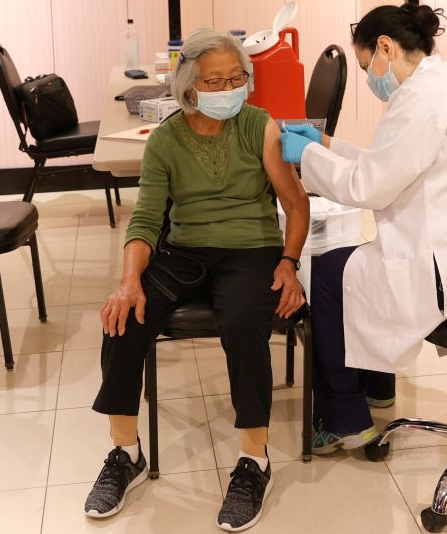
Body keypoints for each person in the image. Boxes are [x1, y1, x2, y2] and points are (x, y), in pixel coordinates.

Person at [278, 4, 447, 453]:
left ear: (385, 47)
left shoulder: (419, 101)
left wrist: (304, 157)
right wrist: (325, 143)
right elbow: (391, 162)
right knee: (358, 264)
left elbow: (370, 186)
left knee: (327, 272)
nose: (370, 78)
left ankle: (344, 418)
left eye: (367, 66)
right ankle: (378, 388)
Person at [84, 29, 310, 532]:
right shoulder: (165, 140)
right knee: (124, 319)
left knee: (244, 325)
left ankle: (255, 461)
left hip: (252, 251)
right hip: (185, 252)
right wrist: (128, 282)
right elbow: (145, 220)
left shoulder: (259, 127)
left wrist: (288, 262)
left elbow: (296, 203)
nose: (230, 87)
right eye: (216, 80)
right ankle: (126, 453)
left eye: (237, 78)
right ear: (189, 87)